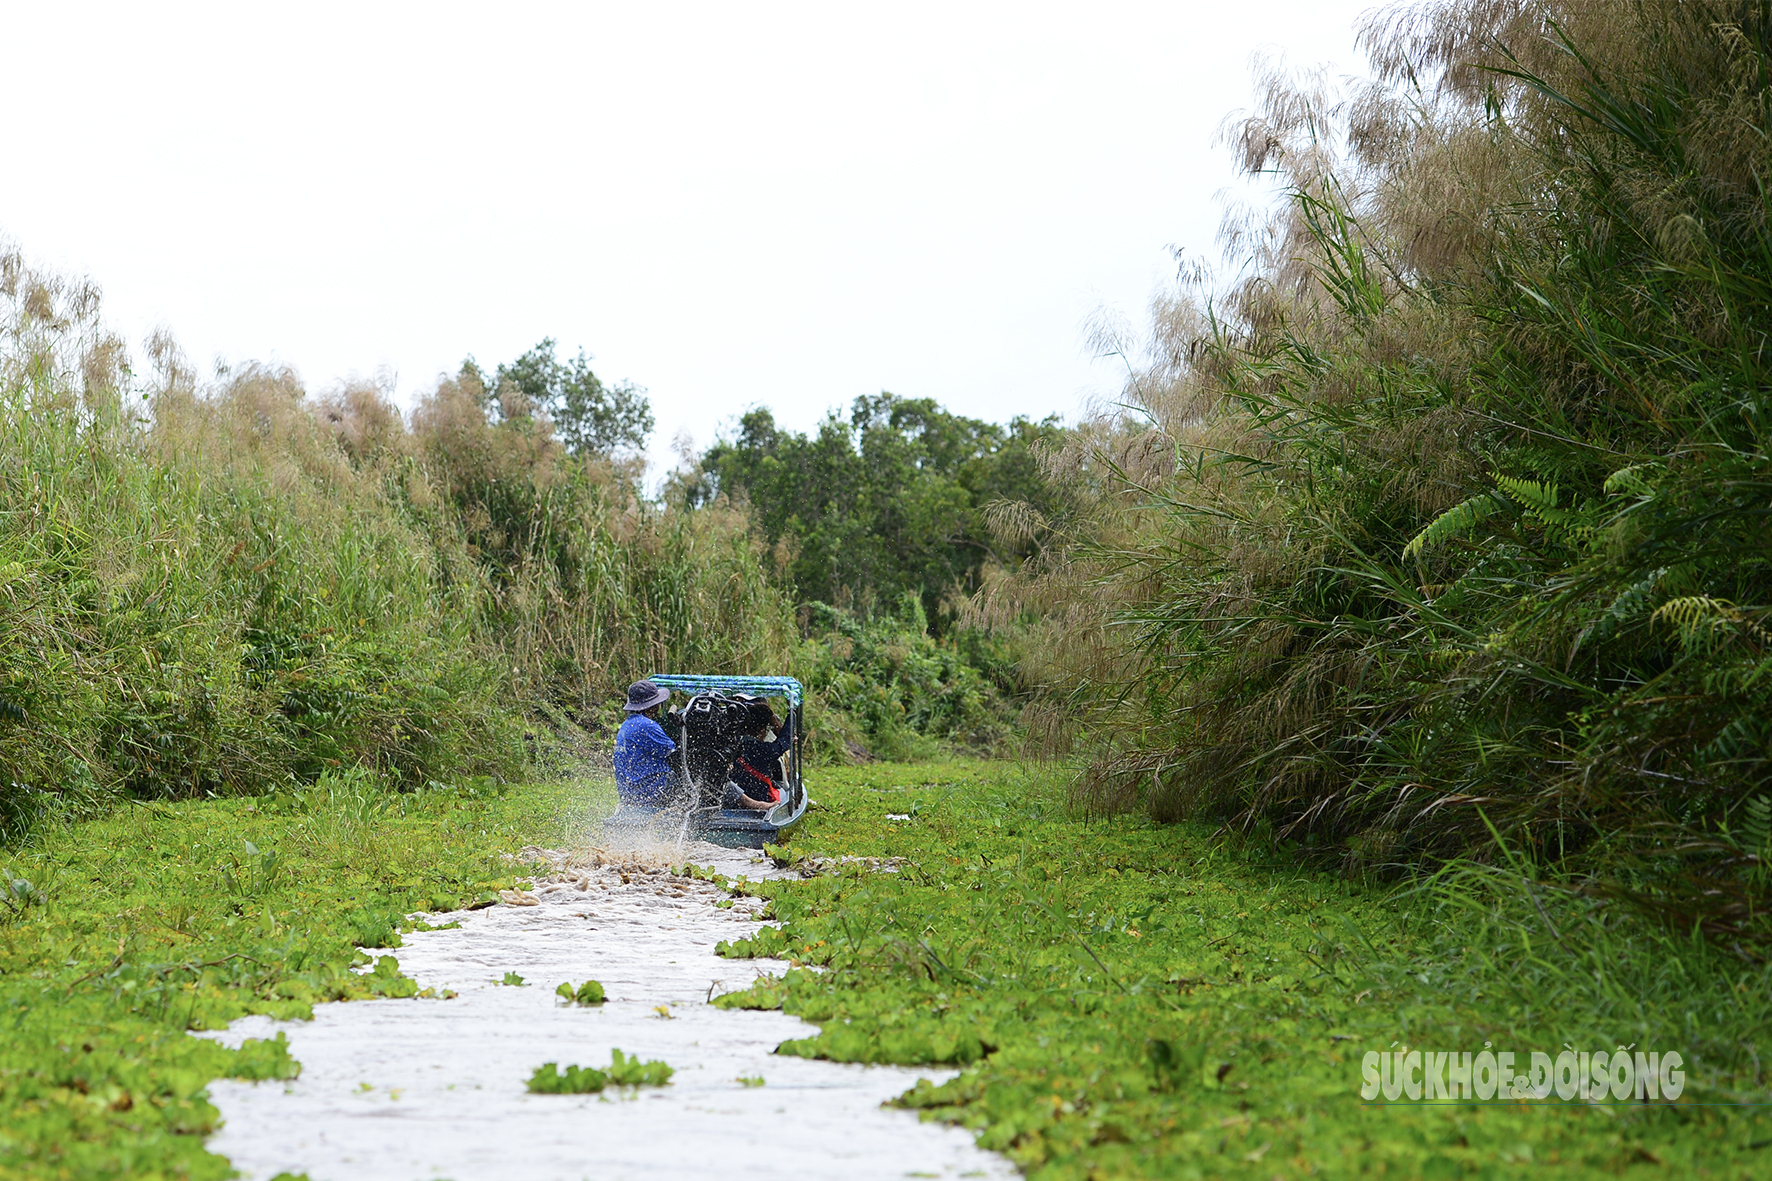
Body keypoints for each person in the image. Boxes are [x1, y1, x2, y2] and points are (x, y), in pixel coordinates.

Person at [614, 680, 680, 805]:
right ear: (653, 706)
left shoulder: (627, 724)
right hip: (648, 791)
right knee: (688, 778)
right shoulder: (647, 725)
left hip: (629, 791)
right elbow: (672, 751)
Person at [723, 703, 794, 811]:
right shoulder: (764, 750)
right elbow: (786, 739)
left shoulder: (733, 744)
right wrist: (792, 714)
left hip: (732, 802)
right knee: (783, 793)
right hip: (759, 800)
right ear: (762, 730)